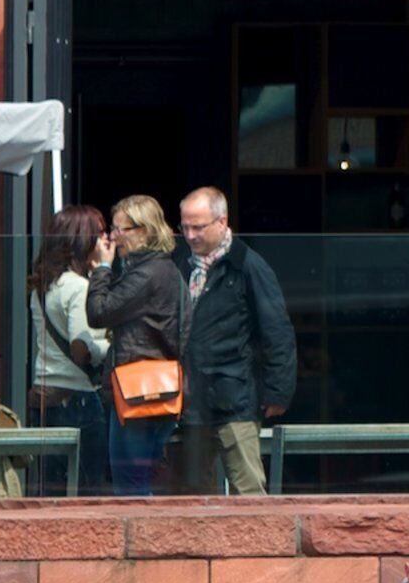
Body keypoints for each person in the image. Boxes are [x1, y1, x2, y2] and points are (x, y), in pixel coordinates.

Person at [174, 186, 294, 496]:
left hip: (234, 394)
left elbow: (277, 329)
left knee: (248, 489)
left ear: (222, 222)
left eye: (198, 226)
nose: (190, 235)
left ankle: (262, 546)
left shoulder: (247, 265)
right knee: (193, 493)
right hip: (192, 397)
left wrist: (277, 390)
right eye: (184, 226)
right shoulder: (181, 264)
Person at [85, 197, 184, 497]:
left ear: (143, 230)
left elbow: (98, 313)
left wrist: (102, 268)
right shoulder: (166, 271)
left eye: (119, 229)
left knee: (130, 484)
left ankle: (138, 544)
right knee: (139, 480)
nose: (113, 237)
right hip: (158, 385)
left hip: (136, 391)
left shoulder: (146, 274)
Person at [23, 205, 109, 496]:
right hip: (77, 398)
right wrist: (110, 347)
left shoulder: (43, 287)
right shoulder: (78, 287)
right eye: (99, 234)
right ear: (82, 241)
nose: (105, 241)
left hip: (44, 393)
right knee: (87, 487)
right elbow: (80, 348)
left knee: (50, 488)